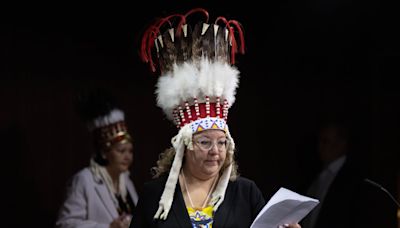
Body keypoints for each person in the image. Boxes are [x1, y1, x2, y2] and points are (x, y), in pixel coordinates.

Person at [131, 8, 301, 228]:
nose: (216, 151)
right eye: (205, 142)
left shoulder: (245, 193)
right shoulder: (154, 194)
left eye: (222, 143)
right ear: (185, 144)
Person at [56, 89, 138, 228]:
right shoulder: (84, 180)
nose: (127, 156)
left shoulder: (126, 182)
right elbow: (65, 224)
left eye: (130, 151)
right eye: (121, 151)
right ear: (105, 152)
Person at [300, 119, 398, 228]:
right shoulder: (314, 174)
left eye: (326, 141)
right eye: (319, 141)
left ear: (341, 143)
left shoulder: (357, 177)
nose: (320, 146)